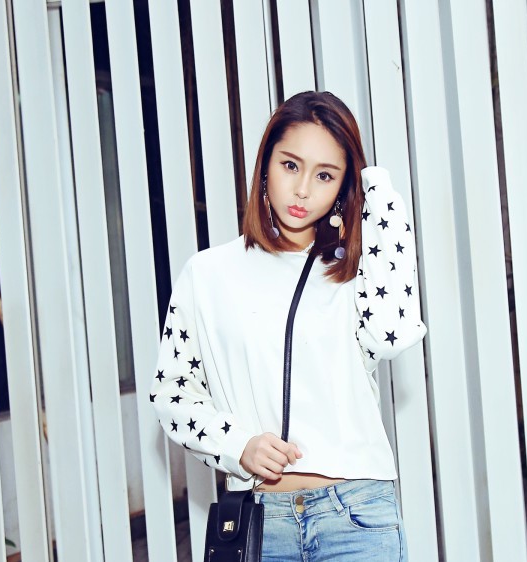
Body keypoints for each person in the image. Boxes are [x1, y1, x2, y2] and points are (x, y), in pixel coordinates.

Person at [150, 91, 426, 561]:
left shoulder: (354, 273)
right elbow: (172, 392)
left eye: (325, 175)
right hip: (262, 524)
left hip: (357, 518)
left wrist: (377, 192)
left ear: (343, 187)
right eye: (290, 165)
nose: (302, 190)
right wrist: (238, 445)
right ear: (265, 165)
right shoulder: (208, 274)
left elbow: (393, 333)